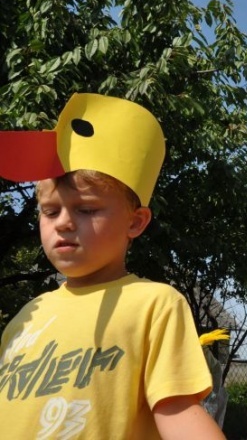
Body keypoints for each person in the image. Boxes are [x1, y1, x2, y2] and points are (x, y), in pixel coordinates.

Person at [0, 93, 224, 439]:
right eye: (50, 211)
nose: (63, 223)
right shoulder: (25, 316)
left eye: (87, 209)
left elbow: (178, 410)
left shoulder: (155, 305)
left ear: (135, 222)